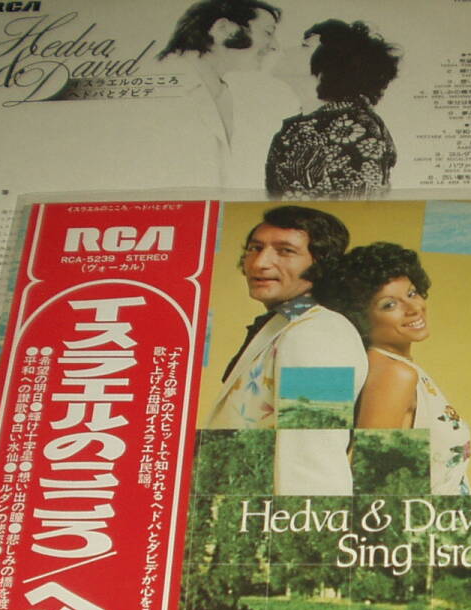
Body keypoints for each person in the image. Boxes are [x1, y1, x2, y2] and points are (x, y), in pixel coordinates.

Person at [204, 206, 368, 495]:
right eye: (255, 248)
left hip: (272, 517)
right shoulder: (286, 324)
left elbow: (313, 459)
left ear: (321, 263)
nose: (260, 263)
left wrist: (302, 524)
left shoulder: (319, 333)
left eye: (285, 251)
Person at [315, 243, 471, 495]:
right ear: (360, 318)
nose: (414, 308)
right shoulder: (393, 374)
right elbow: (376, 489)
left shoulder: (398, 366)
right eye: (389, 305)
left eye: (412, 293)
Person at [158, 0, 297, 184]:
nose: (275, 46)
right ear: (223, 29)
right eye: (268, 32)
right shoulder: (163, 86)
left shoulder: (221, 91)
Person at [265, 20, 400, 198]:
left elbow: (357, 204)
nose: (286, 50)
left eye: (305, 46)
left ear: (332, 64)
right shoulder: (296, 128)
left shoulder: (356, 127)